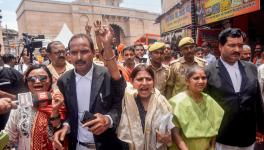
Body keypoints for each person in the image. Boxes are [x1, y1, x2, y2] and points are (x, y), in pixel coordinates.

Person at [53, 21, 126, 150]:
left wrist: (108, 120)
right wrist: (66, 126)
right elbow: (70, 114)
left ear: (93, 52)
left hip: (107, 145)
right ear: (68, 55)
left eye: (84, 51)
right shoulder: (64, 81)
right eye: (74, 53)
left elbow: (120, 105)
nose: (79, 57)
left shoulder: (107, 75)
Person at [205, 28, 264, 150]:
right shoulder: (208, 71)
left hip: (248, 137)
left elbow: (257, 99)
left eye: (240, 45)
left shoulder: (251, 68)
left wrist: (261, 127)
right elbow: (203, 106)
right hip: (222, 137)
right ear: (220, 46)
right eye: (232, 45)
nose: (237, 50)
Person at [4, 64, 67, 149]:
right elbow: (10, 137)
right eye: (31, 79)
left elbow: (61, 133)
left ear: (50, 80)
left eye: (42, 78)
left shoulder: (59, 101)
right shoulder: (20, 105)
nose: (37, 81)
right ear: (26, 82)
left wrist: (55, 109)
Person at [118, 64, 174, 150]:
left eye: (148, 79)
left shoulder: (161, 102)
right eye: (140, 79)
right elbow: (115, 74)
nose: (144, 83)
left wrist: (166, 138)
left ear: (154, 82)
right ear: (132, 81)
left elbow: (169, 133)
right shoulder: (128, 99)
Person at [169, 65, 224, 150]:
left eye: (204, 78)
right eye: (196, 78)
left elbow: (214, 128)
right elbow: (175, 133)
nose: (201, 81)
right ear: (187, 81)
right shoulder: (177, 102)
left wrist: (212, 147)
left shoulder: (209, 100)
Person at [0, 54, 26, 130]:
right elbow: (23, 91)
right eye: (14, 59)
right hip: (14, 110)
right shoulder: (15, 73)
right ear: (12, 60)